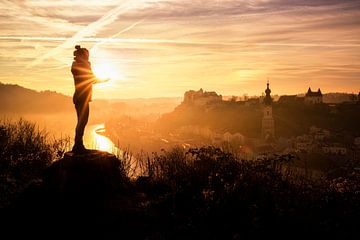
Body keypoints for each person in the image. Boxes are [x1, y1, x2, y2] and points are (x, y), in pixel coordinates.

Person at [71, 45, 109, 153]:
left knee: (82, 121)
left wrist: (102, 80)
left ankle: (78, 145)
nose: (88, 58)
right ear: (83, 56)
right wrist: (88, 66)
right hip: (81, 98)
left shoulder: (78, 65)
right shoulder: (78, 66)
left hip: (82, 97)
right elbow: (90, 79)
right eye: (87, 55)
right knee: (82, 122)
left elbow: (91, 79)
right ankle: (78, 146)